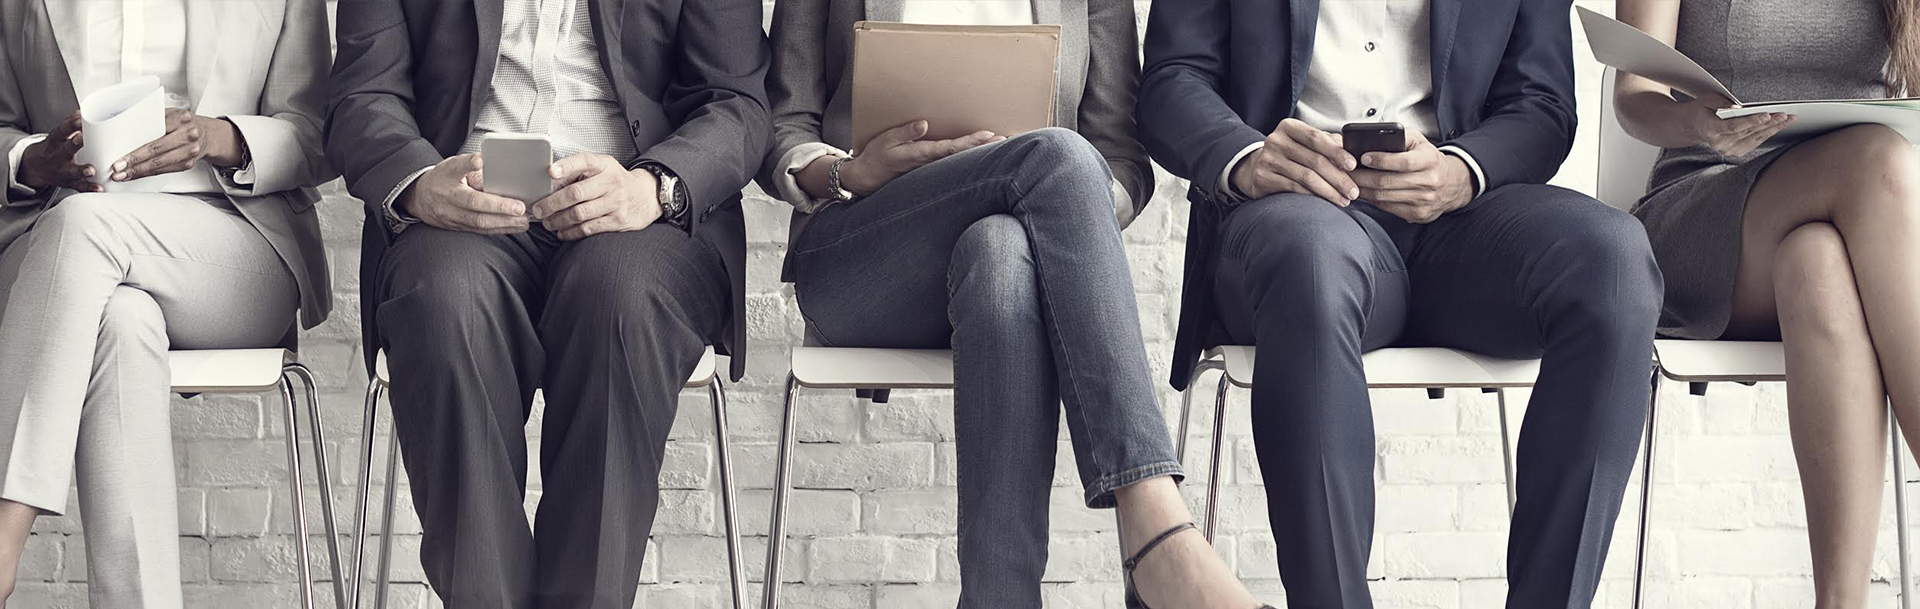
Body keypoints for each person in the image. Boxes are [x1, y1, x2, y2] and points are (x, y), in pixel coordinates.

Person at [1138, 1, 1665, 607]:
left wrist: (1462, 172)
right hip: (1293, 213)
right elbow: (1171, 80)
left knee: (1614, 262)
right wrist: (1250, 158)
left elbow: (1542, 102)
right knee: (1310, 259)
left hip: (1461, 225)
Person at [762, 1, 1268, 607]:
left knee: (1002, 248)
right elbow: (783, 121)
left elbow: (1122, 159)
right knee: (1055, 153)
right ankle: (1156, 529)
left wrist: (1060, 205)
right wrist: (848, 171)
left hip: (1016, 263)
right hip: (860, 257)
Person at [324, 0, 768, 606]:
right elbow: (361, 95)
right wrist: (420, 183)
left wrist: (653, 186)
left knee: (618, 300)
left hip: (638, 211)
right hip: (461, 210)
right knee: (444, 302)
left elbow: (736, 102)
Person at [0, 0, 334, 607]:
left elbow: (318, 134)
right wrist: (30, 160)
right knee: (122, 320)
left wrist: (219, 136)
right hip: (68, 263)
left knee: (87, 227)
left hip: (233, 244)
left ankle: (2, 540)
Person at [1614, 1, 1919, 606]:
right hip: (1708, 199)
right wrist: (1699, 124)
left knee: (1816, 262)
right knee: (1880, 160)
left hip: (1859, 224)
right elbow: (1632, 95)